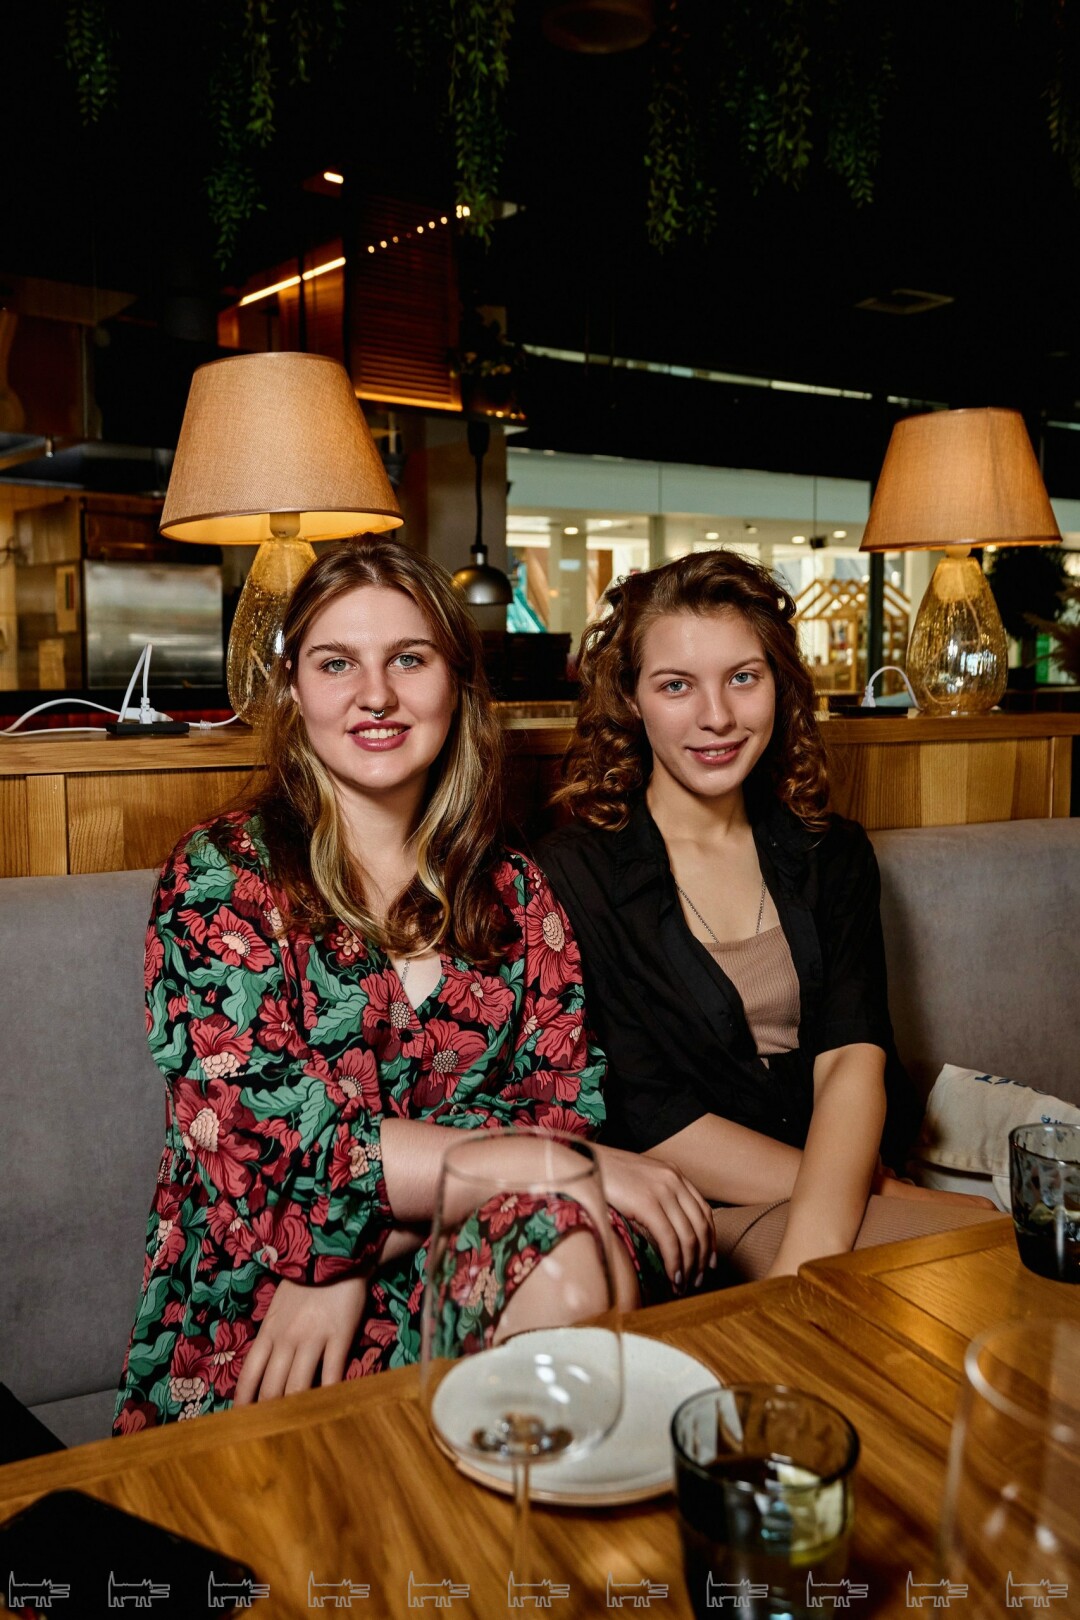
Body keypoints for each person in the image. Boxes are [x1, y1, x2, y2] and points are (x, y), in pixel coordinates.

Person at [115, 538, 713, 1432]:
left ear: (456, 684)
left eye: (408, 659)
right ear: (293, 689)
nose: (376, 695)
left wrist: (358, 1252)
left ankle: (522, 1510)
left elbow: (557, 1111)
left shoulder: (518, 890)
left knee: (573, 1239)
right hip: (266, 1309)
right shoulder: (221, 877)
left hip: (447, 1262)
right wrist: (551, 1163)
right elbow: (278, 1153)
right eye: (336, 663)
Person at [538, 550, 995, 1282]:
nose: (716, 716)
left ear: (779, 684)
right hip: (697, 1209)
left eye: (743, 678)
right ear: (630, 698)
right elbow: (651, 1115)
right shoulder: (571, 874)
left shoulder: (832, 852)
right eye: (676, 685)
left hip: (843, 1183)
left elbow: (853, 1059)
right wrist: (883, 1202)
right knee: (988, 1256)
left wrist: (823, 1230)